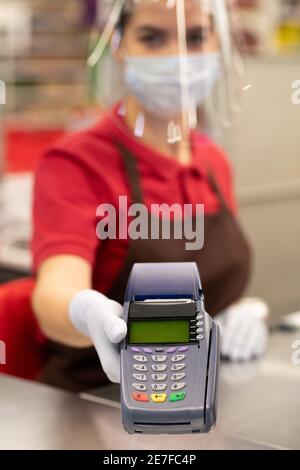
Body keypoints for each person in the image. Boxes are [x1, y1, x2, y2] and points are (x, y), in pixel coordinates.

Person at [31, 0, 268, 392]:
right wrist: (85, 313)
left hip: (195, 394)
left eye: (195, 37)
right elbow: (54, 293)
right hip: (95, 400)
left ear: (217, 43)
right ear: (120, 45)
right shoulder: (75, 162)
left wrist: (235, 314)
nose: (177, 58)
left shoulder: (213, 162)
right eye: (153, 37)